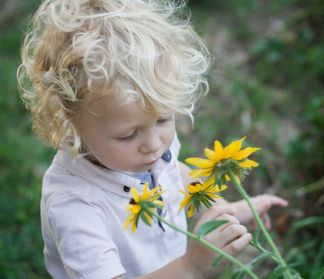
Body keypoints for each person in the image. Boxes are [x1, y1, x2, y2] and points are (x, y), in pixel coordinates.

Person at [17, 0, 288, 278]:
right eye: (128, 135)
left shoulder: (147, 147)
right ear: (71, 124)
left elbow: (174, 174)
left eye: (163, 120)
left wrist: (221, 210)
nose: (155, 145)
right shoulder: (75, 205)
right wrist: (191, 267)